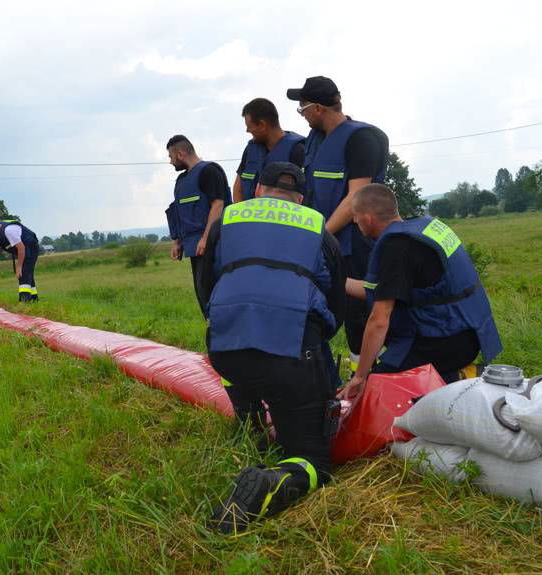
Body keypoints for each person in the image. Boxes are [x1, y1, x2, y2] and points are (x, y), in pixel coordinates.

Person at [197, 162, 346, 534]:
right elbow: (334, 292)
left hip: (225, 347)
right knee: (314, 460)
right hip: (291, 352)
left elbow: (206, 281)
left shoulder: (228, 219)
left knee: (239, 360)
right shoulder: (315, 225)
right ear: (300, 198)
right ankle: (270, 482)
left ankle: (250, 423)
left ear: (258, 191)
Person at [339, 184, 503, 400]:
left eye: (356, 215)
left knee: (376, 390)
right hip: (469, 332)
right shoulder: (420, 229)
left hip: (444, 340)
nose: (354, 221)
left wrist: (360, 377)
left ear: (368, 217)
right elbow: (374, 291)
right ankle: (451, 377)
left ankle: (456, 378)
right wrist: (334, 280)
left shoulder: (396, 247)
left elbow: (379, 320)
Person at [287, 76, 389, 373]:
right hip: (327, 243)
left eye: (302, 108)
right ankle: (337, 371)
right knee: (329, 308)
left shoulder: (361, 139)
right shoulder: (314, 144)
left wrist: (320, 236)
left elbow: (356, 196)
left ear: (318, 108)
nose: (302, 115)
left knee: (362, 310)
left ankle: (373, 373)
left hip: (356, 242)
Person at [164, 135, 231, 313]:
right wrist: (177, 241)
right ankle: (211, 330)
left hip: (212, 246)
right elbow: (178, 211)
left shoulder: (209, 171)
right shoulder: (181, 181)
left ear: (181, 153)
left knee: (214, 292)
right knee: (202, 293)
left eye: (171, 156)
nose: (170, 162)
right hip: (193, 247)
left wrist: (206, 239)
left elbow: (218, 205)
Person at [233, 98, 305, 203]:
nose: (247, 130)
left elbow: (303, 195)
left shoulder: (298, 150)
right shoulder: (250, 150)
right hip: (249, 217)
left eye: (249, 126)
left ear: (262, 125)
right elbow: (237, 189)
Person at [0, 219, 41, 302]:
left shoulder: (9, 231)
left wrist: (19, 266)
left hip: (31, 246)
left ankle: (24, 301)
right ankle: (34, 298)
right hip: (22, 249)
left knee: (23, 272)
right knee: (27, 272)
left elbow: (21, 248)